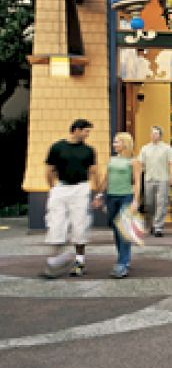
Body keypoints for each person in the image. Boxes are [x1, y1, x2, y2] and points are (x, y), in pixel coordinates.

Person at [43, 119, 102, 278]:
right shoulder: (57, 147)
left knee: (80, 225)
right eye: (86, 131)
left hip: (81, 189)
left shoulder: (89, 150)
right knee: (56, 223)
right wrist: (53, 188)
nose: (87, 134)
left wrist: (98, 193)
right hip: (61, 188)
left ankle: (79, 262)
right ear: (76, 130)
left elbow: (94, 171)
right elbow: (49, 169)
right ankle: (54, 261)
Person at [98, 132, 141, 278]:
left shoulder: (133, 161)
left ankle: (122, 263)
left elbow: (136, 182)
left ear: (125, 143)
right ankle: (123, 259)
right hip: (111, 197)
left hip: (126, 197)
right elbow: (106, 179)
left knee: (124, 230)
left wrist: (136, 200)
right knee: (116, 230)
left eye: (117, 142)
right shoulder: (112, 160)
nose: (114, 144)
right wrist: (99, 194)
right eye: (114, 142)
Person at [138, 126, 172, 237]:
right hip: (149, 179)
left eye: (156, 133)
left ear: (160, 135)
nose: (154, 135)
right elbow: (141, 164)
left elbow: (171, 163)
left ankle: (158, 227)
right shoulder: (144, 148)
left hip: (163, 179)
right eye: (152, 133)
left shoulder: (167, 148)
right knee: (149, 204)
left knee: (161, 204)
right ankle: (151, 225)